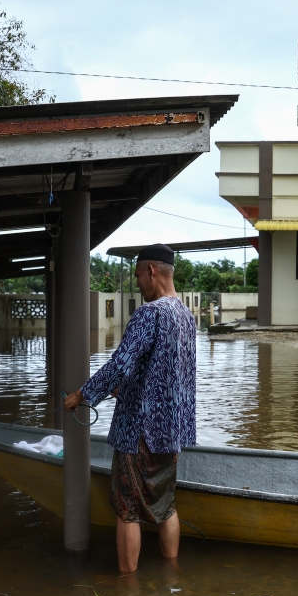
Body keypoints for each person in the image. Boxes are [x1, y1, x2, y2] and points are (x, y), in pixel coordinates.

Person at [63, 244, 196, 573]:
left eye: (138, 276)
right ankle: (172, 576)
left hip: (139, 432)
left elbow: (120, 364)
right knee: (165, 506)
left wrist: (84, 394)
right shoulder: (186, 317)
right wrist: (127, 387)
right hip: (171, 432)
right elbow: (176, 376)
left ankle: (128, 591)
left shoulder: (150, 314)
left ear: (152, 271)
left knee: (127, 509)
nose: (137, 283)